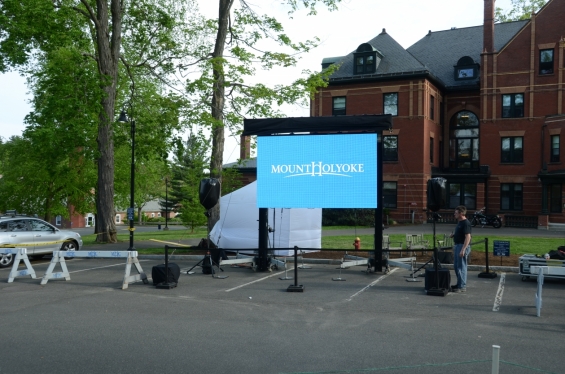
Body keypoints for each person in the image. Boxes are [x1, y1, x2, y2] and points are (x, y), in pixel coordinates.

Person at [450, 205, 471, 293]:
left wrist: (463, 249)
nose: (454, 214)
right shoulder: (460, 222)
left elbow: (468, 237)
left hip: (462, 246)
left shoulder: (466, 223)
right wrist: (454, 235)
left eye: (456, 212)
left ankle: (462, 286)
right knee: (456, 266)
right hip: (457, 245)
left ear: (461, 213)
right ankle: (459, 284)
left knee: (461, 267)